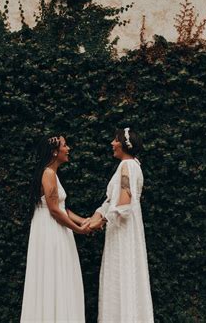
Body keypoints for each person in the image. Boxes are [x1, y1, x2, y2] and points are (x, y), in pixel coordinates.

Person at [83, 127, 154, 323]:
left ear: (124, 144)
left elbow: (124, 201)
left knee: (123, 275)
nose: (112, 144)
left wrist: (103, 220)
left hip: (124, 229)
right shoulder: (128, 165)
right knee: (119, 278)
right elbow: (110, 200)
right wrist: (95, 216)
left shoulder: (128, 166)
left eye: (115, 140)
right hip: (119, 228)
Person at [21, 134, 88, 323]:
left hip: (52, 228)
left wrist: (84, 220)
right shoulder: (48, 174)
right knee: (54, 274)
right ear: (54, 151)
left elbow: (63, 208)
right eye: (65, 146)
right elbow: (54, 211)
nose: (68, 149)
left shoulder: (51, 173)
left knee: (56, 276)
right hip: (51, 230)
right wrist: (78, 229)